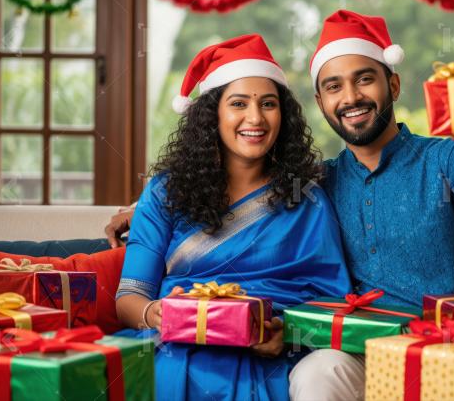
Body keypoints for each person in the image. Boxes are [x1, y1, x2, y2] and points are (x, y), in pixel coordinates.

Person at [106, 11, 454, 401]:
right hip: (353, 353)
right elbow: (215, 199)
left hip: (444, 347)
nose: (351, 96)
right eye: (334, 86)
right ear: (322, 101)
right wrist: (145, 207)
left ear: (393, 86)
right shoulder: (320, 180)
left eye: (365, 79)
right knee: (318, 373)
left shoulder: (438, 161)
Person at [112, 34, 351, 401]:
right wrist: (154, 314)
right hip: (173, 347)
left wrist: (283, 333)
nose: (255, 118)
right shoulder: (164, 192)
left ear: (282, 116)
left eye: (268, 104)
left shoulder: (307, 198)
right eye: (238, 103)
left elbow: (331, 300)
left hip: (268, 357)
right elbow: (130, 295)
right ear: (213, 115)